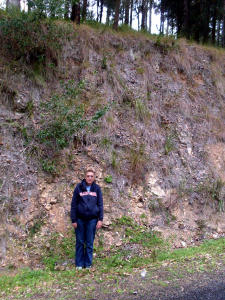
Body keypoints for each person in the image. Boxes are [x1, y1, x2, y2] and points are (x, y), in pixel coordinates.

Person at [70, 167, 103, 269]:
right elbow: (74, 205)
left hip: (92, 220)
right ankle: (79, 264)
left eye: (91, 176)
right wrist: (74, 220)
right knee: (80, 242)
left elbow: (100, 204)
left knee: (89, 242)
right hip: (80, 219)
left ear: (94, 178)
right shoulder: (78, 188)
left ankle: (88, 264)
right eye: (88, 176)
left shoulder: (97, 189)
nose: (89, 178)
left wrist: (100, 219)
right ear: (85, 177)